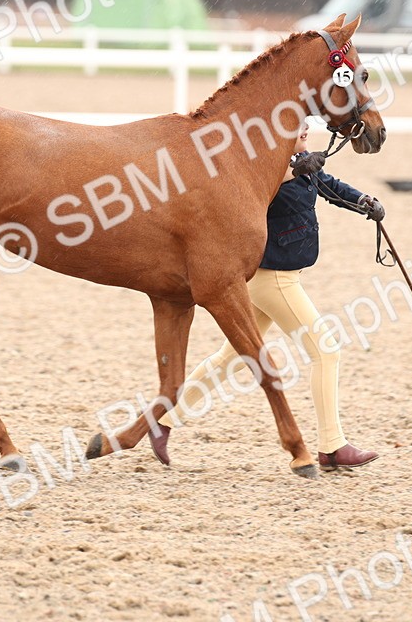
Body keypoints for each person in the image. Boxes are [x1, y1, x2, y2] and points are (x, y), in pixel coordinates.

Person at [150, 126, 385, 471]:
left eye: (305, 123)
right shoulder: (264, 168)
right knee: (326, 351)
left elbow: (330, 187)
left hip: (280, 276)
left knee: (228, 358)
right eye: (295, 126)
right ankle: (332, 446)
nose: (305, 128)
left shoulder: (301, 163)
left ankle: (165, 421)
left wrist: (363, 202)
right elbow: (265, 188)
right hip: (273, 277)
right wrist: (292, 171)